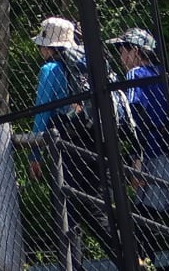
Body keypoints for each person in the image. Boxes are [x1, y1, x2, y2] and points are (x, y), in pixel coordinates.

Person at [112, 28, 169, 267]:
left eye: (122, 49)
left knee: (144, 220)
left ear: (136, 51)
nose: (120, 55)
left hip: (158, 157)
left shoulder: (136, 74)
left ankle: (145, 264)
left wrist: (136, 158)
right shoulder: (167, 76)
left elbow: (135, 117)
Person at [29, 16, 116, 255]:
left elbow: (42, 113)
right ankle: (131, 259)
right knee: (98, 209)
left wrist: (34, 154)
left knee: (66, 213)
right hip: (97, 140)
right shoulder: (90, 67)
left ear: (48, 46)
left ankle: (71, 265)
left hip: (67, 145)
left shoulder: (50, 70)